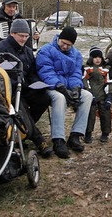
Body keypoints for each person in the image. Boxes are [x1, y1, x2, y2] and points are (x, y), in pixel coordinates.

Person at [0, 19, 53, 158]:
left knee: (44, 98)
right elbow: (2, 74)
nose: (24, 39)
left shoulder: (27, 51)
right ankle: (38, 139)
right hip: (10, 91)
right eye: (21, 36)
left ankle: (23, 131)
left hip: (26, 87)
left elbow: (32, 71)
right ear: (12, 33)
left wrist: (37, 83)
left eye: (27, 36)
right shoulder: (1, 49)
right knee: (21, 106)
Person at [36, 27, 93, 159]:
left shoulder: (76, 54)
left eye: (69, 45)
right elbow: (45, 71)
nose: (65, 46)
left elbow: (76, 73)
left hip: (68, 87)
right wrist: (60, 86)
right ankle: (58, 139)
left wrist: (76, 89)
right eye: (63, 43)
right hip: (51, 87)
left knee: (87, 96)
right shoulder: (46, 50)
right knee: (60, 98)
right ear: (59, 38)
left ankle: (75, 135)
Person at [83, 46, 112, 143]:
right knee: (90, 115)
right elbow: (84, 81)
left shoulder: (107, 69)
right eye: (95, 57)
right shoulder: (87, 69)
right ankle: (88, 133)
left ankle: (105, 133)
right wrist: (89, 93)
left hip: (103, 96)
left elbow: (110, 82)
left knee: (105, 114)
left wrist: (109, 96)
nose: (97, 59)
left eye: (99, 57)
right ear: (91, 58)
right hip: (91, 96)